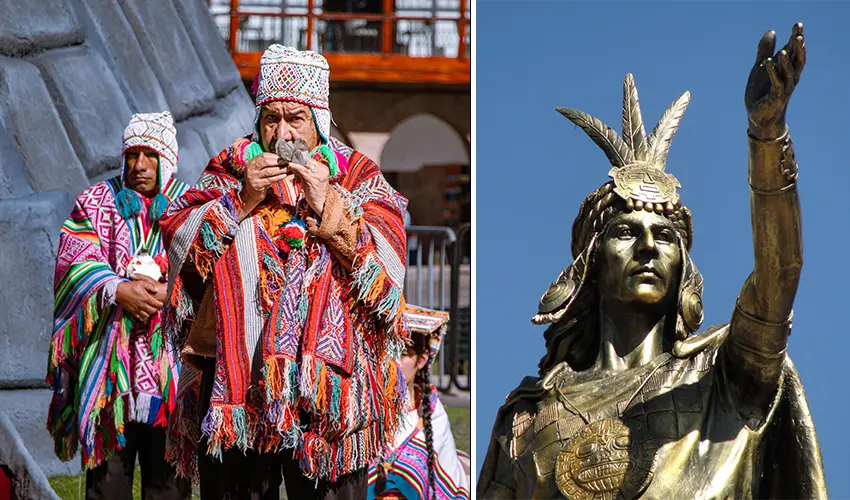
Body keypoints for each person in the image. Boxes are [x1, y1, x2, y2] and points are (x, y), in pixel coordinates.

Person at [478, 24, 827, 499]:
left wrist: (767, 136)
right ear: (590, 264)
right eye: (625, 232)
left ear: (683, 265)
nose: (647, 247)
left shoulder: (726, 378)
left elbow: (779, 274)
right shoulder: (526, 419)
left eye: (665, 236)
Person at [160, 45, 409, 499]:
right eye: (271, 118)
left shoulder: (357, 174)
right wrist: (241, 200)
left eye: (295, 118)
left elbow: (388, 264)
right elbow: (180, 244)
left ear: (318, 119)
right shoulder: (232, 167)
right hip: (240, 378)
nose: (282, 132)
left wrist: (326, 203)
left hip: (325, 388)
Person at [46, 111, 192, 500]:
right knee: (106, 490)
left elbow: (207, 270)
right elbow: (73, 262)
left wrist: (170, 293)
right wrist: (115, 289)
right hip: (108, 380)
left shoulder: (190, 207)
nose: (139, 164)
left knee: (168, 489)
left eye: (149, 154)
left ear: (168, 160)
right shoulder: (94, 202)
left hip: (170, 381)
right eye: (131, 154)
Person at [367, 305, 470, 500]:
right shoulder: (363, 409)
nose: (393, 361)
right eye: (388, 350)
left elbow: (448, 489)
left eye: (404, 353)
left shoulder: (433, 417)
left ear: (421, 360)